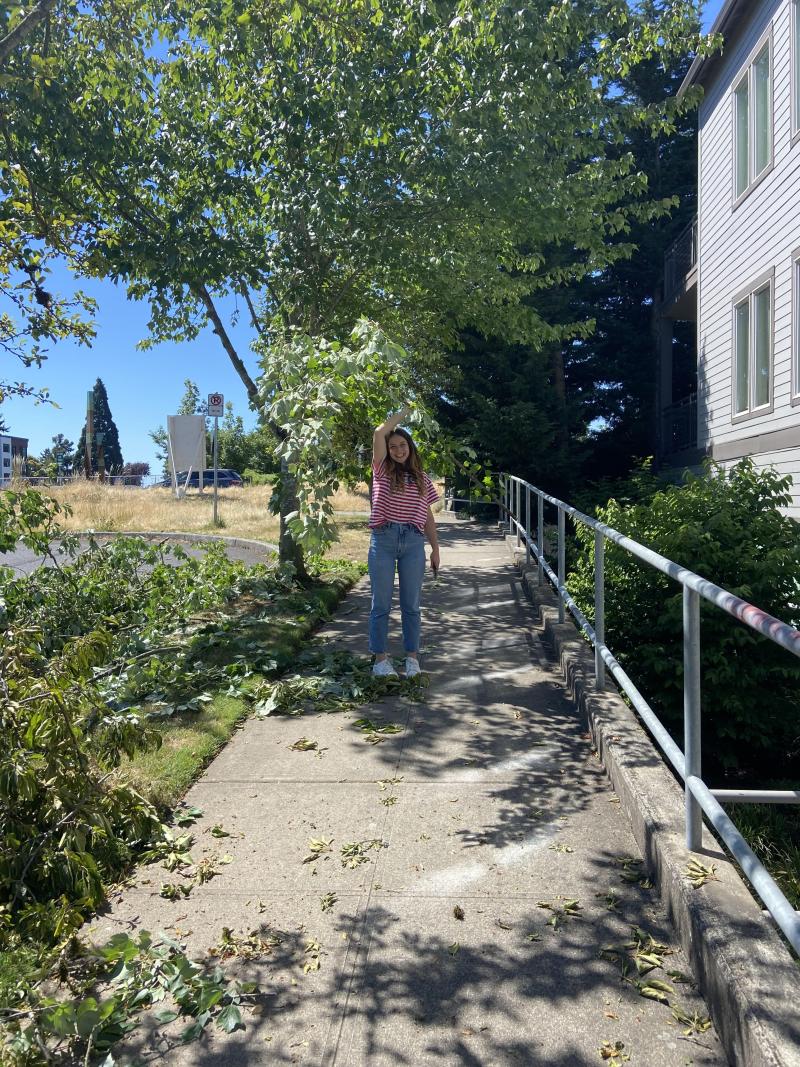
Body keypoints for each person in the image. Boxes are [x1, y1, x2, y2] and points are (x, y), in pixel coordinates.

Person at [368, 407, 440, 677]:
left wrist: (435, 548)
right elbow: (379, 432)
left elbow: (428, 516)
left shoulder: (422, 478)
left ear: (410, 447)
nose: (399, 450)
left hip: (413, 543)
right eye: (394, 446)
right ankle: (380, 660)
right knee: (381, 604)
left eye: (403, 445)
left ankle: (412, 659)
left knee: (411, 605)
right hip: (383, 541)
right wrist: (407, 411)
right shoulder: (382, 469)